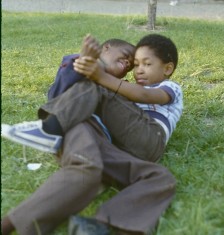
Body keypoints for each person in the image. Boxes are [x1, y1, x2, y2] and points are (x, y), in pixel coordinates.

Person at [1, 35, 177, 235]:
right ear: (106, 49)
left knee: (159, 176)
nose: (131, 68)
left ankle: (104, 224)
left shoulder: (117, 90)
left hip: (102, 138)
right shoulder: (77, 70)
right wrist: (86, 62)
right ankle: (11, 223)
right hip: (79, 129)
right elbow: (57, 96)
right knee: (87, 165)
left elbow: (130, 105)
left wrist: (100, 76)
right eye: (132, 62)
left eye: (132, 66)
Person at [1, 34, 183, 164]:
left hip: (151, 138)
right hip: (129, 149)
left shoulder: (169, 87)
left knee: (98, 87)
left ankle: (50, 129)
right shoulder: (130, 91)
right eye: (136, 65)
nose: (138, 70)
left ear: (167, 69)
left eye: (147, 64)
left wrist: (102, 78)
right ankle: (66, 142)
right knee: (94, 103)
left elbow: (144, 95)